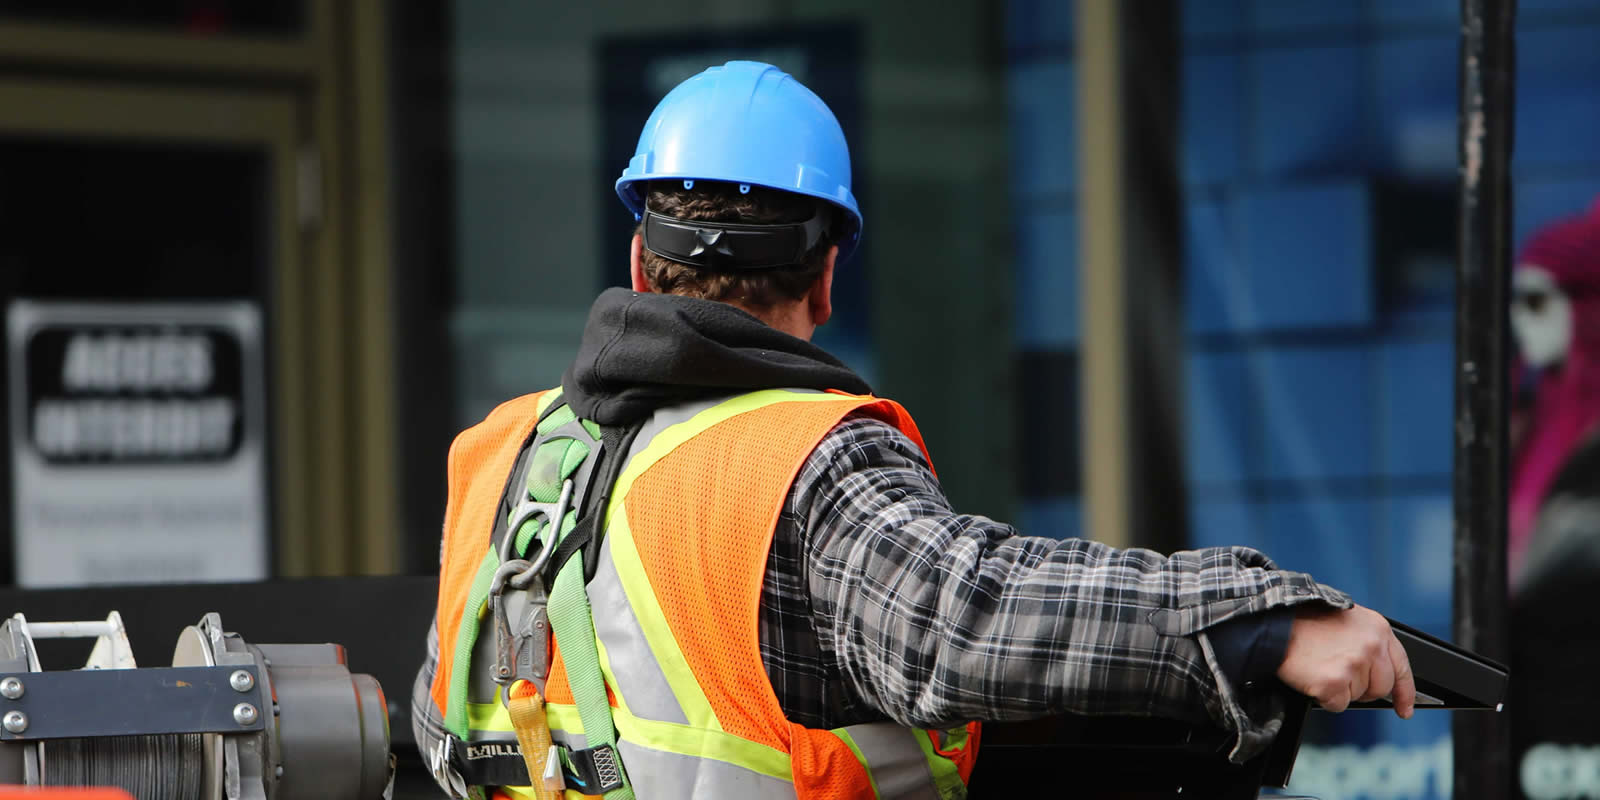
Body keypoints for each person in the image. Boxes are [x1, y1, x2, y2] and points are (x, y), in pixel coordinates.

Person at [411, 60, 1414, 800]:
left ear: (638, 260)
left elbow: (442, 716)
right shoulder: (801, 461)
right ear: (828, 276)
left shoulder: (501, 452)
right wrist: (1256, 619)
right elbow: (961, 620)